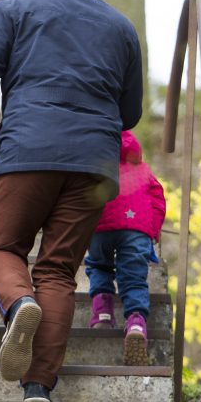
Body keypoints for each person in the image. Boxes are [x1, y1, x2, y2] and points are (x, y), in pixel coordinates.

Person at [0, 0, 143, 402]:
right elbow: (132, 112)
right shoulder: (120, 26)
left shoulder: (15, 10)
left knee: (3, 248)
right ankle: (38, 385)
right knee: (58, 270)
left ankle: (20, 305)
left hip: (28, 153)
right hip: (94, 167)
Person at [85, 130, 165, 366]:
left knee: (99, 265)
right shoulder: (144, 170)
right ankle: (136, 322)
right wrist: (153, 230)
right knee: (134, 276)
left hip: (100, 225)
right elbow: (158, 199)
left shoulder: (95, 167)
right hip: (137, 228)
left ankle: (102, 313)